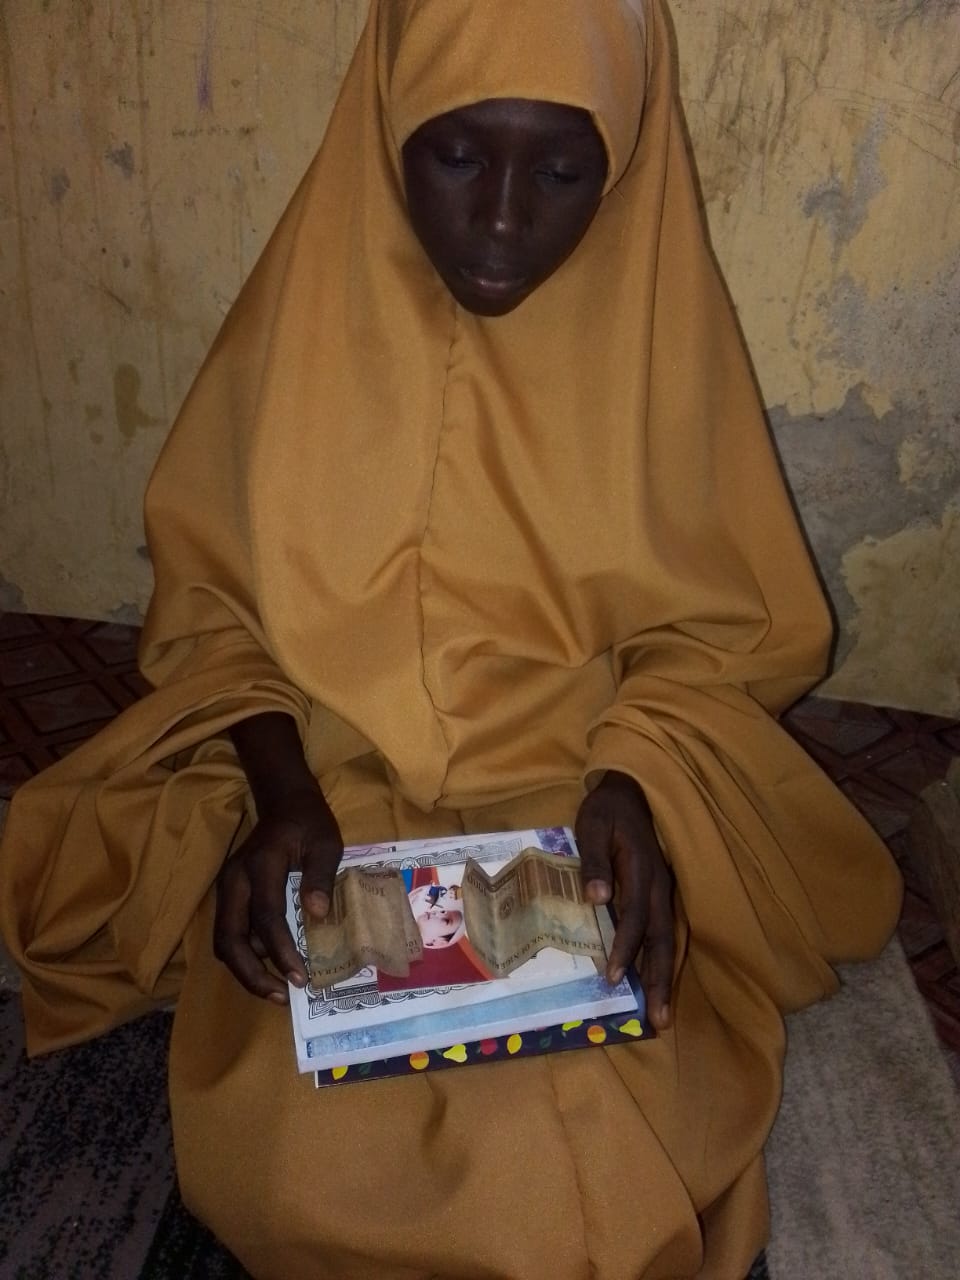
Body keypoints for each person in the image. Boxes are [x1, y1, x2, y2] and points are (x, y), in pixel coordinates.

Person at [0, 1, 901, 1277]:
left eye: (563, 168)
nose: (499, 220)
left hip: (573, 783)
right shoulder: (300, 314)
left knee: (602, 1115)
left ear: (629, 163)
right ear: (387, 127)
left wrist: (635, 783)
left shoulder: (661, 338)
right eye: (459, 153)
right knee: (308, 1143)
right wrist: (278, 790)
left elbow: (727, 634)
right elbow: (210, 603)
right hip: (330, 772)